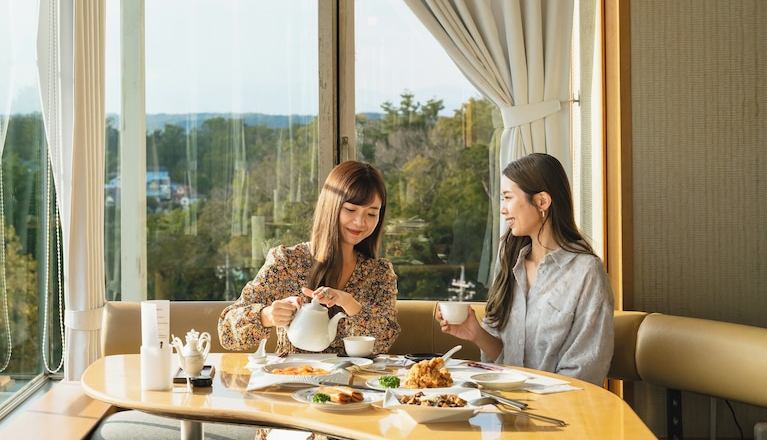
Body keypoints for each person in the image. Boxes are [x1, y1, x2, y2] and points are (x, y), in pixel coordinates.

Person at [439, 152, 614, 386]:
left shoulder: (586, 272)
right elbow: (506, 360)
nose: (503, 209)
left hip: (560, 414)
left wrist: (530, 404)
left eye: (508, 198)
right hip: (507, 407)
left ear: (542, 201)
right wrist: (476, 334)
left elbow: (585, 368)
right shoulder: (511, 263)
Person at [218, 160, 400, 356]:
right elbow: (227, 332)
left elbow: (383, 343)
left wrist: (349, 303)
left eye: (371, 214)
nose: (360, 222)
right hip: (295, 380)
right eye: (350, 210)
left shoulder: (379, 274)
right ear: (331, 206)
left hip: (355, 385)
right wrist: (268, 315)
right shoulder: (287, 263)